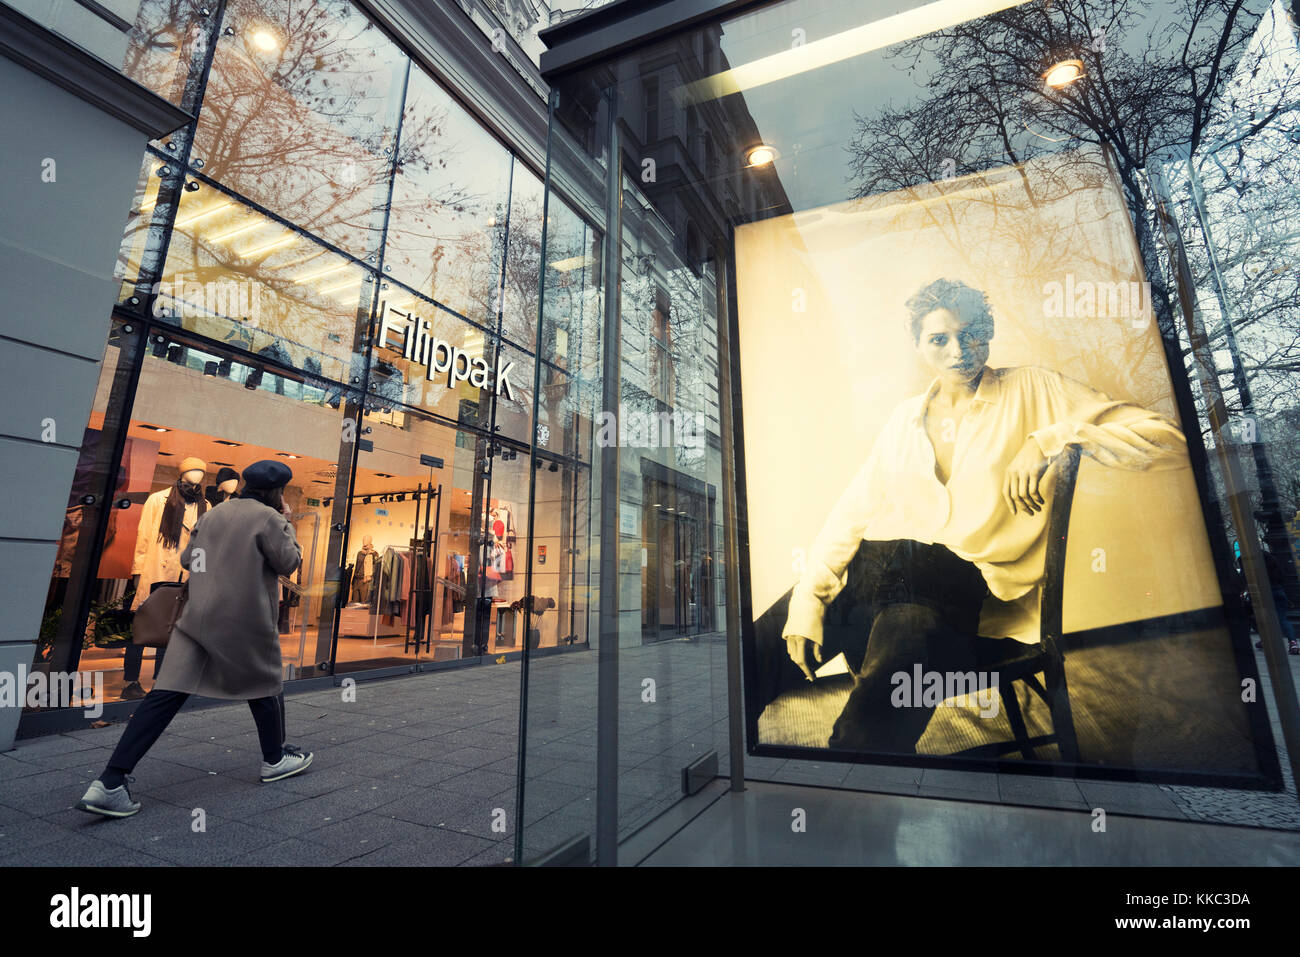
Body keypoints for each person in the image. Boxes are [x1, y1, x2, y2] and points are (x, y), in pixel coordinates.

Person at [775, 278, 1188, 754]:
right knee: (768, 637)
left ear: (988, 333)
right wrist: (807, 602)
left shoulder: (1032, 388)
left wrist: (1048, 441)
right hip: (880, 578)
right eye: (939, 339)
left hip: (956, 591)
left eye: (971, 334)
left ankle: (852, 782)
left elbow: (1165, 438)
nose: (959, 351)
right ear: (918, 345)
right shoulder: (904, 421)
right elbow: (849, 515)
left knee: (876, 712)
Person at [77, 460, 313, 818]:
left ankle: (110, 782)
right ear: (276, 493)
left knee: (165, 695)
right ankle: (275, 759)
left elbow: (188, 559)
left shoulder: (213, 514)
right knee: (264, 684)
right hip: (243, 619)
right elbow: (288, 562)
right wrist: (287, 522)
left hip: (196, 617)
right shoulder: (270, 518)